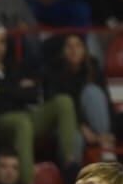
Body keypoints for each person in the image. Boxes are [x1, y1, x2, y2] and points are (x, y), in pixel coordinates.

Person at [0, 22, 79, 182]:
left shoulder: (13, 65)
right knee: (22, 122)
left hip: (26, 113)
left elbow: (33, 93)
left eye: (1, 42)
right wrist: (17, 89)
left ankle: (69, 162)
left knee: (63, 101)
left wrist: (3, 90)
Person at [42, 34, 115, 162]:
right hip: (65, 122)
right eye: (69, 46)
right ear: (62, 50)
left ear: (84, 49)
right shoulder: (53, 70)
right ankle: (73, 174)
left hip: (93, 123)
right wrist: (82, 127)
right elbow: (58, 105)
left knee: (92, 92)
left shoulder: (93, 66)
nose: (73, 50)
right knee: (75, 136)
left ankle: (106, 146)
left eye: (78, 46)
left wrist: (110, 132)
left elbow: (106, 102)